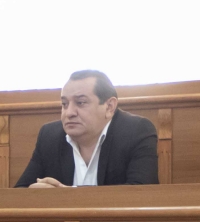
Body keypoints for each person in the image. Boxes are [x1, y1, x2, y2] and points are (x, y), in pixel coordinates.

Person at [16, 70, 159, 188]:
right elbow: (19, 193)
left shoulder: (137, 131)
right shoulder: (49, 136)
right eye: (64, 104)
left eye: (81, 102)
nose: (69, 113)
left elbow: (141, 194)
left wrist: (65, 196)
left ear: (109, 107)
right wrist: (33, 193)